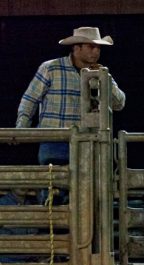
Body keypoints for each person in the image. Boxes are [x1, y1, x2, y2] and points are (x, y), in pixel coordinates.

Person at [16, 26, 126, 205]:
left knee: (86, 196)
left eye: (98, 47)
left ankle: (80, 232)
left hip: (87, 142)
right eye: (91, 46)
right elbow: (30, 99)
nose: (96, 51)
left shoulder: (101, 73)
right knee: (53, 192)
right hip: (55, 140)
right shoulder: (52, 68)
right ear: (76, 48)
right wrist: (22, 129)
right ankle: (53, 230)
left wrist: (105, 82)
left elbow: (119, 103)